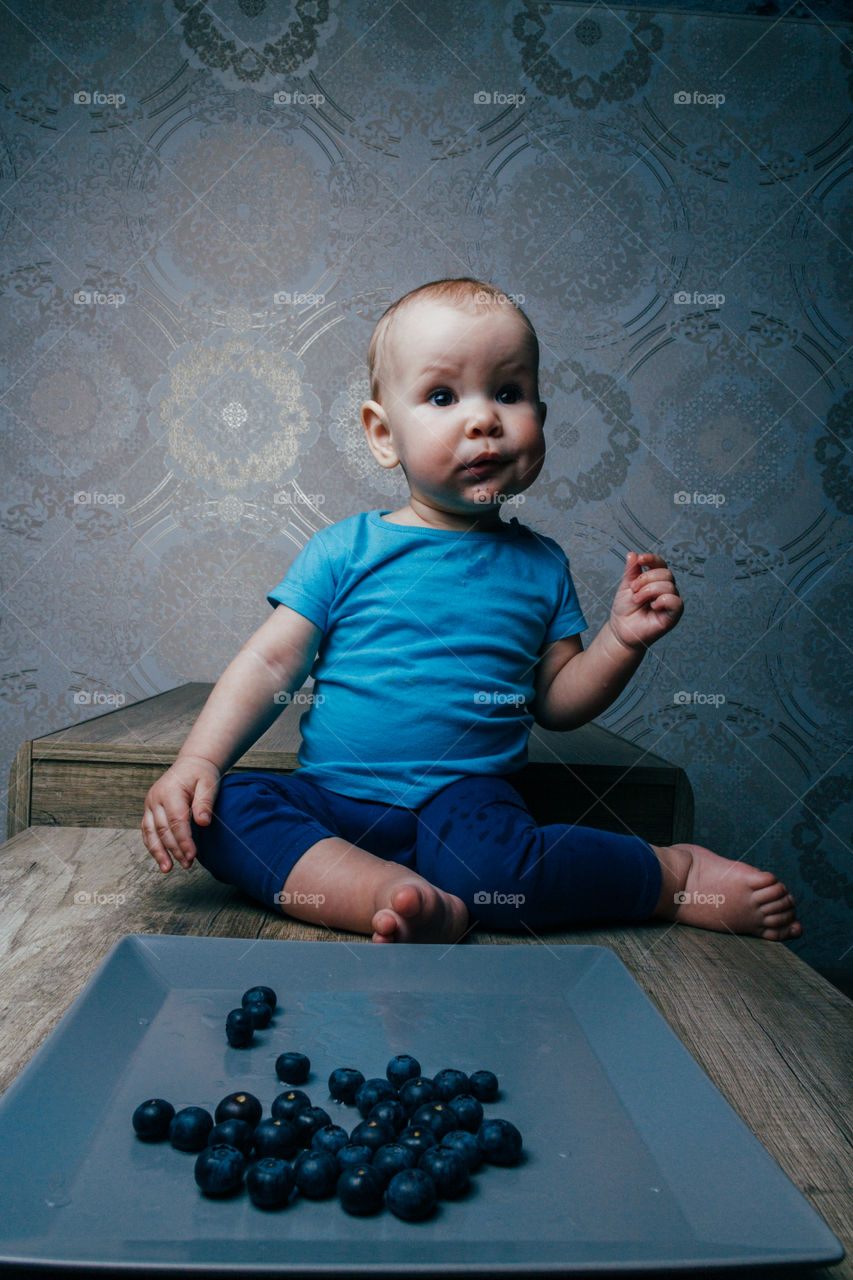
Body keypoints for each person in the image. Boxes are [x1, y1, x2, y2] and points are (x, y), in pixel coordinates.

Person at [142, 277, 802, 946]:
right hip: (333, 802)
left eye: (508, 393)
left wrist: (620, 640)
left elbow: (556, 702)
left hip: (462, 806)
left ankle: (670, 876)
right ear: (382, 433)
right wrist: (199, 758)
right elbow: (268, 662)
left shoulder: (539, 566)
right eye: (441, 396)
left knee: (496, 872)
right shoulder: (346, 549)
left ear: (539, 418)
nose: (483, 418)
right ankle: (382, 893)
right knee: (221, 810)